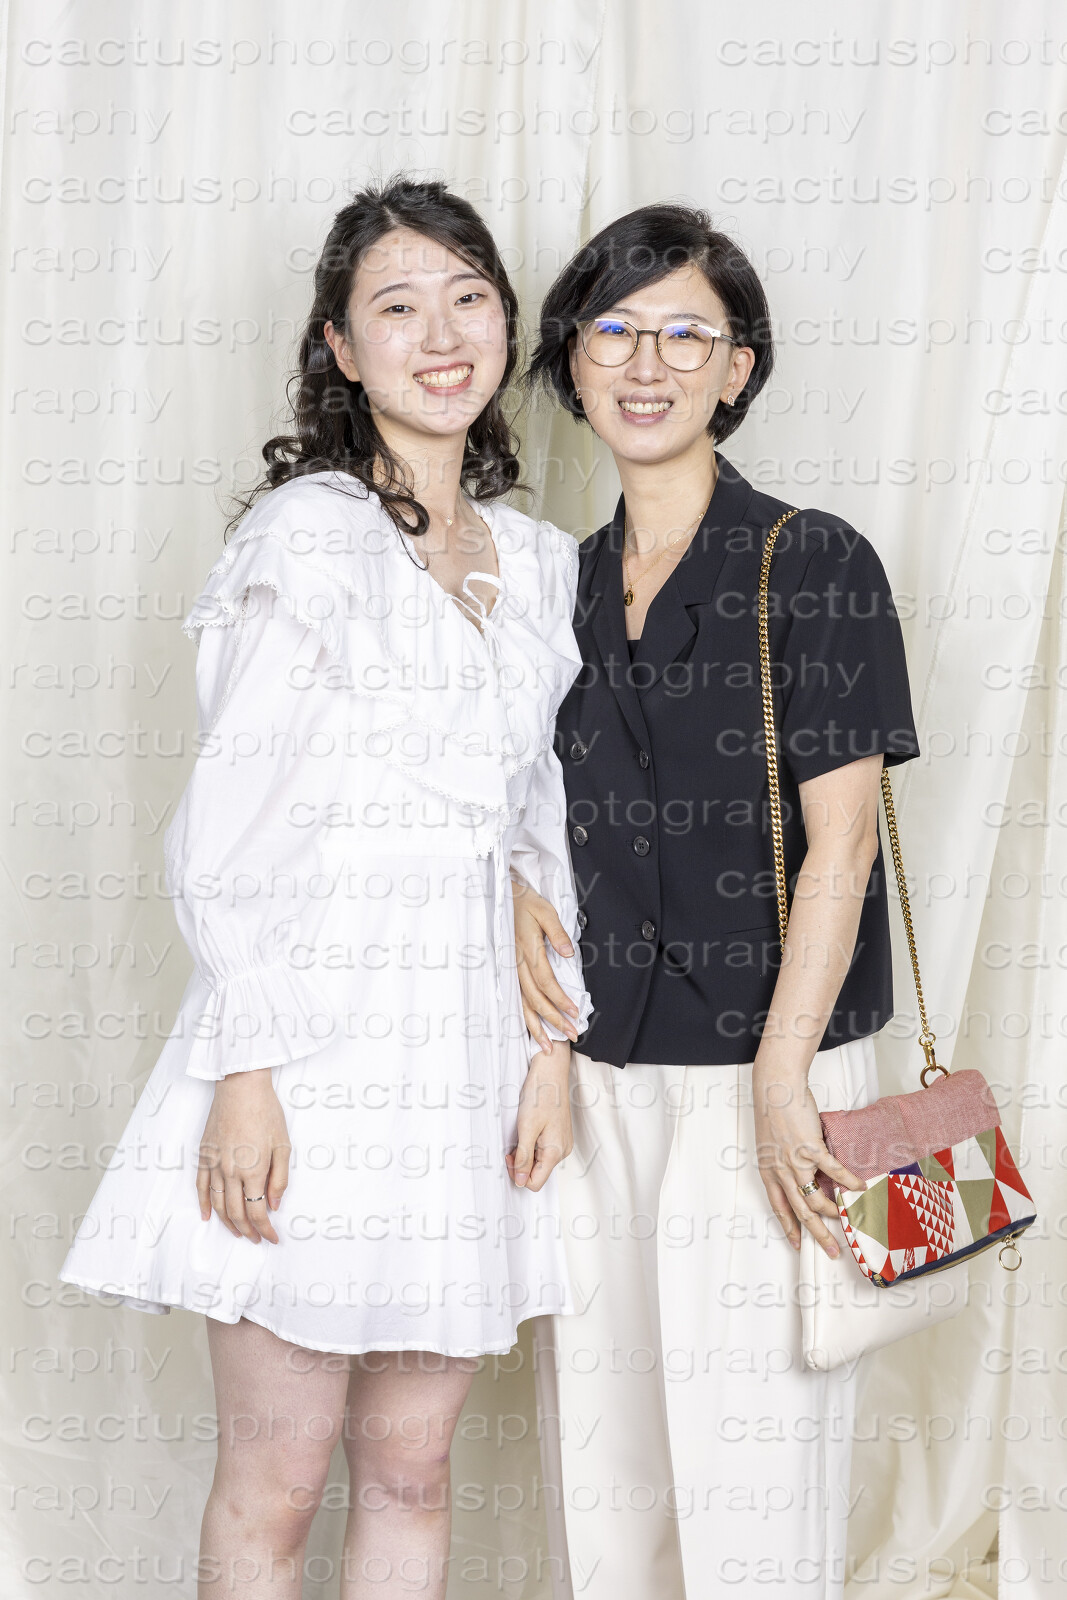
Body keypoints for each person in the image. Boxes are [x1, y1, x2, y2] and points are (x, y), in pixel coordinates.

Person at [60, 175, 591, 1600]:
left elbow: (538, 821)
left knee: (413, 1468)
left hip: (465, 1057)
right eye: (398, 308)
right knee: (279, 1480)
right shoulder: (309, 535)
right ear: (343, 350)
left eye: (469, 299)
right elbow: (232, 817)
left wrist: (551, 1050)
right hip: (309, 1042)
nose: (443, 335)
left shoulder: (542, 566)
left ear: (507, 324)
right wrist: (246, 1070)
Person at [515, 204, 921, 1599]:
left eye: (686, 334)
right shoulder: (552, 587)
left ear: (737, 368)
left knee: (757, 1493)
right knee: (609, 1477)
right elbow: (519, 828)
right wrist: (541, 1028)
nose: (647, 364)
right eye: (614, 330)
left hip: (768, 1071)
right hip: (598, 1073)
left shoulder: (814, 561)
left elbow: (843, 844)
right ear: (572, 361)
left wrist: (783, 1077)